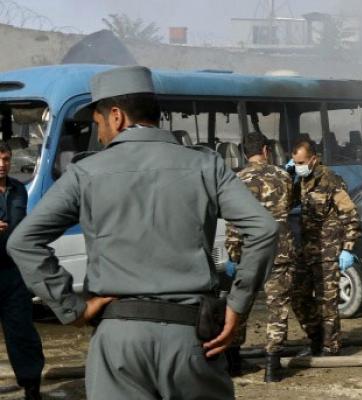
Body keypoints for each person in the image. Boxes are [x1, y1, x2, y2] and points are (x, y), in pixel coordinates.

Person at [7, 66, 278, 400]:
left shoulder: (85, 173)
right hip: (194, 339)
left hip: (119, 341)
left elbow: (23, 241)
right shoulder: (206, 165)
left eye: (99, 123)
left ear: (117, 116)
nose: (101, 134)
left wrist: (71, 308)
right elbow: (264, 229)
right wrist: (237, 305)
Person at [225, 131, 295, 382]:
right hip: (280, 250)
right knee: (278, 308)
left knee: (241, 306)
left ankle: (233, 362)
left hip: (249, 252)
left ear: (244, 153)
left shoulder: (236, 180)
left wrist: (234, 255)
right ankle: (272, 367)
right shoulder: (284, 176)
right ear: (266, 150)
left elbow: (233, 223)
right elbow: (287, 208)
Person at [290, 140, 362, 357]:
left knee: (327, 303)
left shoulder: (331, 180)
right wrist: (287, 177)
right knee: (298, 296)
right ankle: (315, 338)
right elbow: (286, 202)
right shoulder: (301, 180)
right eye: (294, 162)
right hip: (307, 250)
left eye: (301, 162)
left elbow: (350, 216)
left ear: (313, 159)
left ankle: (330, 348)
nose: (298, 166)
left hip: (328, 252)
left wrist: (348, 248)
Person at [0, 142, 44, 400]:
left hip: (14, 273)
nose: (2, 164)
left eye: (6, 158)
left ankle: (31, 385)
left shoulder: (19, 190)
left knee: (22, 331)